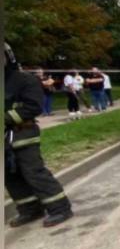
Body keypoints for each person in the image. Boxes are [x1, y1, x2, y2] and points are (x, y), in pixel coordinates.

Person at [4, 43, 74, 227]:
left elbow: (33, 107)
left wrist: (5, 117)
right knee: (10, 177)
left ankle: (60, 208)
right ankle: (29, 210)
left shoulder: (25, 80)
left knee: (33, 172)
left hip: (23, 135)